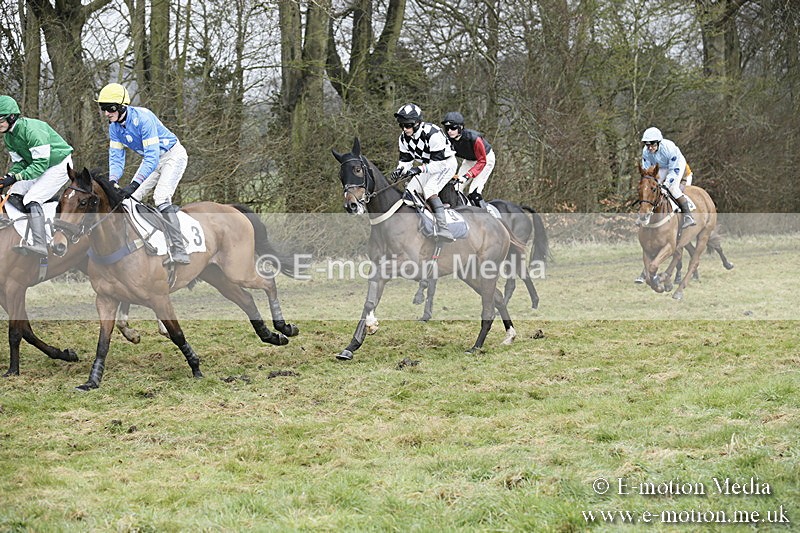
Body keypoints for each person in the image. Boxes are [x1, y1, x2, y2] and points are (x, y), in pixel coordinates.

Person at [95, 83, 190, 265]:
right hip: (152, 161)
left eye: (109, 108)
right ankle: (147, 241)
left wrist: (133, 184)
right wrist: (113, 181)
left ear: (122, 106)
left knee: (161, 197)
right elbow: (116, 158)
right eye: (103, 109)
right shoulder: (114, 127)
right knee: (129, 201)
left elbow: (151, 158)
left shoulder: (143, 118)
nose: (106, 113)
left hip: (172, 156)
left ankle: (179, 249)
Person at [0, 94, 73, 256]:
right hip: (39, 165)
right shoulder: (9, 138)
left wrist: (17, 177)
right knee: (13, 194)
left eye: (0, 120)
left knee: (31, 198)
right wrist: (9, 176)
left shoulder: (31, 130)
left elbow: (40, 165)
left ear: (12, 117)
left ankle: (40, 243)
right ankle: (20, 229)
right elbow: (21, 164)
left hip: (58, 165)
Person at [390, 103, 457, 242]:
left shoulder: (433, 134)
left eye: (408, 125)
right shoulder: (403, 138)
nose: (405, 129)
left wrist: (419, 169)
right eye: (402, 125)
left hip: (446, 164)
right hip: (428, 166)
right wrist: (400, 170)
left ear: (418, 122)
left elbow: (438, 164)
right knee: (409, 191)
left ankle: (443, 228)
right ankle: (418, 225)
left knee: (429, 188)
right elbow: (405, 161)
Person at [640, 127, 695, 229]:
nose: (650, 148)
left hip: (676, 165)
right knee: (652, 188)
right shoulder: (646, 152)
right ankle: (645, 215)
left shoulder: (669, 148)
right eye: (647, 145)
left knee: (672, 188)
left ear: (658, 142)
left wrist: (666, 184)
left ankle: (688, 216)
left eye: (653, 144)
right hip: (662, 167)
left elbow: (674, 170)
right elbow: (647, 171)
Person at [441, 111, 495, 208]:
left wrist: (467, 176)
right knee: (455, 189)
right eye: (447, 128)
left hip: (485, 159)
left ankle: (487, 218)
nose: (449, 131)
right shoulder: (447, 140)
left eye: (453, 128)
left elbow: (482, 161)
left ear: (460, 127)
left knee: (474, 192)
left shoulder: (475, 139)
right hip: (469, 160)